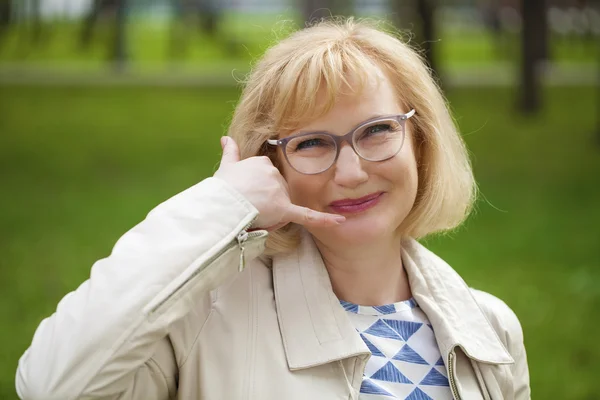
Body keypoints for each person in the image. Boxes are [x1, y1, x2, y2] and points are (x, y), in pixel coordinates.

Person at [16, 18, 530, 400]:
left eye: (377, 131)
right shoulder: (200, 323)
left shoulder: (488, 327)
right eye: (311, 143)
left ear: (419, 141)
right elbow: (53, 386)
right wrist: (222, 207)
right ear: (270, 165)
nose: (350, 172)